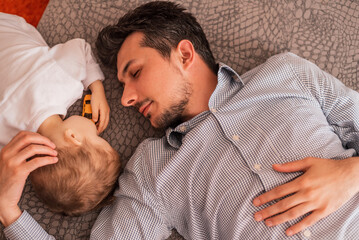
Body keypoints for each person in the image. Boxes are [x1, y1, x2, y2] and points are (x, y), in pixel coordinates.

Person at [1, 1, 359, 239]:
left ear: (184, 54)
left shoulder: (287, 73)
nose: (124, 98)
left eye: (135, 72)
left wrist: (350, 173)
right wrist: (8, 211)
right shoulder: (150, 170)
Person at [0, 13, 121, 217]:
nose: (100, 132)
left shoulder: (66, 83)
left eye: (97, 138)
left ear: (73, 136)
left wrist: (96, 86)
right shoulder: (8, 142)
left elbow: (81, 47)